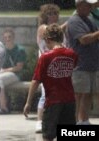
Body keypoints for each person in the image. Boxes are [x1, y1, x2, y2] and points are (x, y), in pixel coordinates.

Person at [23, 23, 78, 141]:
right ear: (62, 37)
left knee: (47, 136)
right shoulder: (72, 54)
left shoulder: (45, 57)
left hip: (52, 101)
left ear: (47, 40)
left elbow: (35, 81)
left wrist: (28, 102)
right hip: (69, 101)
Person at [65, 0, 99, 125]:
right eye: (88, 5)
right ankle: (72, 123)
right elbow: (83, 39)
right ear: (79, 5)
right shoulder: (74, 21)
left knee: (88, 94)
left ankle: (84, 121)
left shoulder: (89, 19)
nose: (91, 7)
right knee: (78, 95)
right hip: (79, 66)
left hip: (91, 65)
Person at [35, 3, 64, 133]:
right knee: (44, 94)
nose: (53, 16)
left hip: (57, 65)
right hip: (46, 65)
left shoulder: (58, 29)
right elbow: (50, 34)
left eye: (55, 14)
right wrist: (65, 25)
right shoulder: (43, 28)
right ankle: (39, 121)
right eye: (50, 14)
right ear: (45, 16)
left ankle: (54, 120)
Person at [0, 27, 26, 114]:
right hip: (4, 74)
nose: (8, 39)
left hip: (16, 75)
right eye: (5, 37)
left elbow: (19, 67)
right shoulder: (2, 50)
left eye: (9, 37)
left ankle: (3, 107)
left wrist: (4, 71)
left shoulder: (20, 50)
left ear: (13, 37)